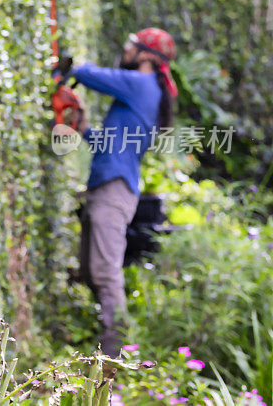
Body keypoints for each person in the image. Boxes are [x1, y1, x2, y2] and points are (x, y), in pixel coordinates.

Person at [72, 27, 178, 357]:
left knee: (104, 273)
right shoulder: (142, 92)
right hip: (110, 186)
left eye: (132, 46)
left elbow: (89, 75)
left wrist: (68, 67)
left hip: (114, 191)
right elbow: (110, 145)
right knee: (91, 272)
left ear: (147, 56)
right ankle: (109, 348)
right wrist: (85, 128)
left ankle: (113, 361)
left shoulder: (142, 84)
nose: (126, 50)